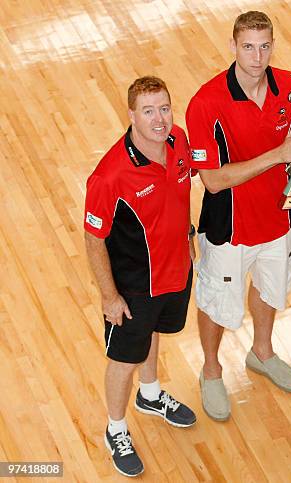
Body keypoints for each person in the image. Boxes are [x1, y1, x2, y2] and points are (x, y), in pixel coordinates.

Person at [186, 11, 291, 422]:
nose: (257, 57)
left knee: (270, 291)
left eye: (265, 46)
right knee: (217, 303)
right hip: (229, 230)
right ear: (233, 46)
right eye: (248, 46)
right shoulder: (206, 103)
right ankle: (211, 369)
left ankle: (262, 353)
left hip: (279, 221)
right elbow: (214, 181)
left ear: (273, 45)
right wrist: (277, 155)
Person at [84, 76, 196, 477]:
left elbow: (180, 195)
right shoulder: (110, 175)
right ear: (130, 115)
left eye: (164, 108)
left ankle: (150, 395)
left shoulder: (179, 141)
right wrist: (109, 296)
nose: (159, 119)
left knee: (153, 334)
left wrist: (187, 236)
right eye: (148, 111)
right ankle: (115, 429)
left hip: (177, 271)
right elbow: (93, 238)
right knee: (122, 359)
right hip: (133, 287)